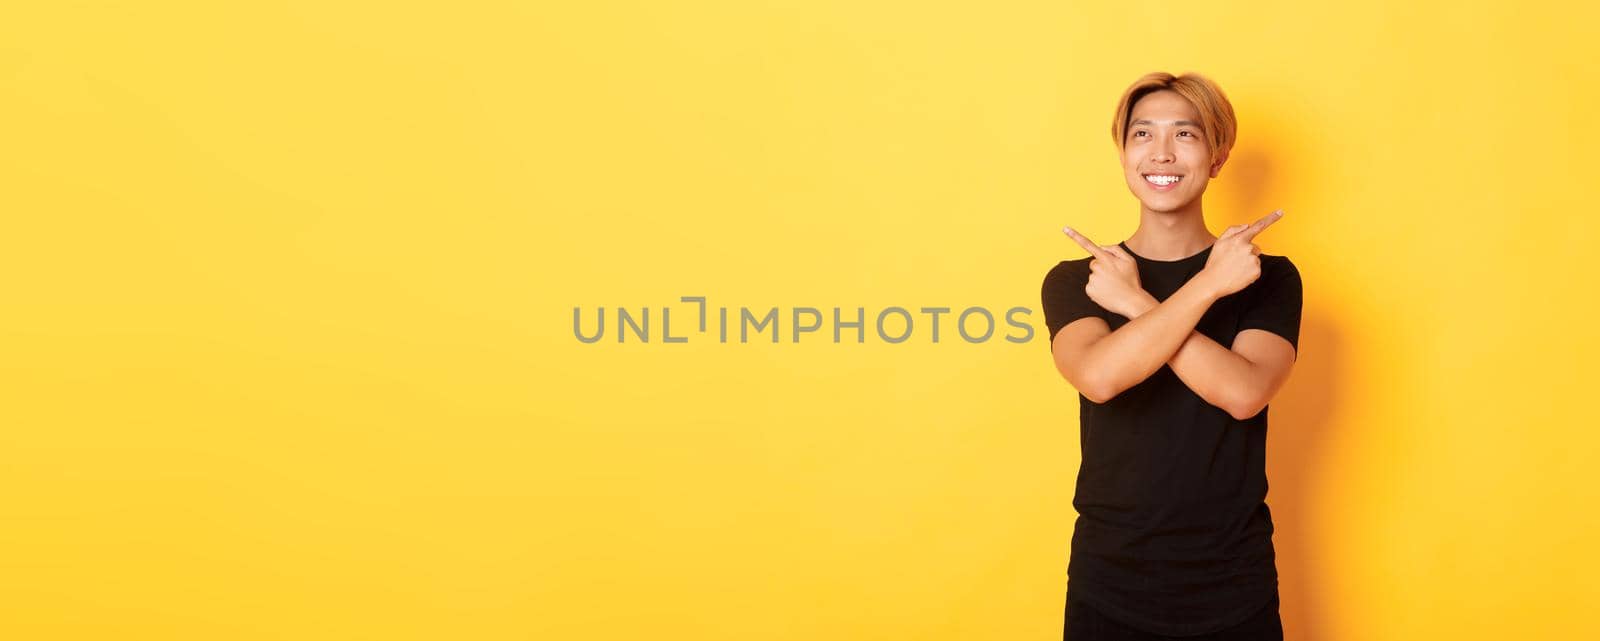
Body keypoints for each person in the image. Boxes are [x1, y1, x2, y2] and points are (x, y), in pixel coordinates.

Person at [1041, 71, 1302, 640]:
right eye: (1143, 135)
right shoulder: (1078, 280)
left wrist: (1140, 301)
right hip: (1109, 579)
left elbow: (1243, 393)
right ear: (1124, 153)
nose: (1161, 152)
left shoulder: (1268, 278)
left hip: (1234, 578)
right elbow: (1100, 377)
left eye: (1185, 135)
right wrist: (1203, 287)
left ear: (1217, 157)